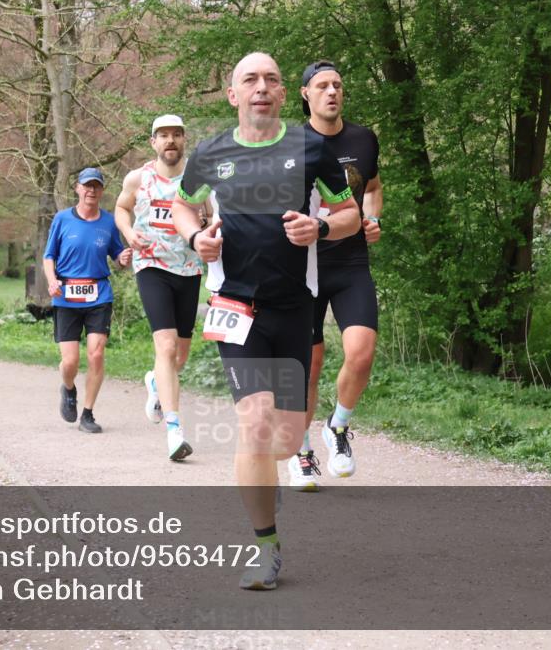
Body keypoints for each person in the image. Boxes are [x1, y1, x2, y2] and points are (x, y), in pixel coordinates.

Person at [172, 52, 360, 590]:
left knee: (284, 439)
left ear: (284, 94)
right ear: (233, 95)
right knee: (254, 425)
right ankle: (266, 546)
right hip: (236, 309)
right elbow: (184, 206)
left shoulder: (311, 148)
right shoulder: (210, 153)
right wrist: (195, 238)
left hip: (295, 307)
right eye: (249, 80)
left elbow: (348, 214)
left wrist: (321, 230)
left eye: (271, 80)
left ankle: (270, 471)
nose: (262, 87)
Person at [288, 60, 383, 492]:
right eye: (322, 86)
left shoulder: (364, 139)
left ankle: (338, 427)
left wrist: (371, 217)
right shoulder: (290, 144)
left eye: (338, 85)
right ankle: (301, 452)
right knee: (309, 365)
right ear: (305, 93)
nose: (332, 92)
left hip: (350, 262)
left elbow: (374, 187)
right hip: (302, 266)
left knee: (361, 353)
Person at [115, 114, 206, 461]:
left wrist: (208, 227)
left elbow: (213, 216)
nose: (170, 141)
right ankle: (174, 430)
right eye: (163, 136)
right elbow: (121, 209)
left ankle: (155, 382)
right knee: (166, 347)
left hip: (189, 268)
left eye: (176, 135)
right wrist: (128, 232)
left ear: (184, 141)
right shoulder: (138, 178)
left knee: (179, 355)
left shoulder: (198, 180)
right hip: (151, 265)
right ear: (153, 142)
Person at [44, 167, 133, 434]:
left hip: (98, 295)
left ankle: (88, 414)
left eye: (96, 186)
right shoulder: (62, 220)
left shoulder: (108, 222)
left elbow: (117, 258)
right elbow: (49, 257)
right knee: (70, 362)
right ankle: (68, 389)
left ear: (102, 191)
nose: (91, 190)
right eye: (87, 185)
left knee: (96, 353)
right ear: (77, 189)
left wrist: (122, 260)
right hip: (66, 297)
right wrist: (52, 280)